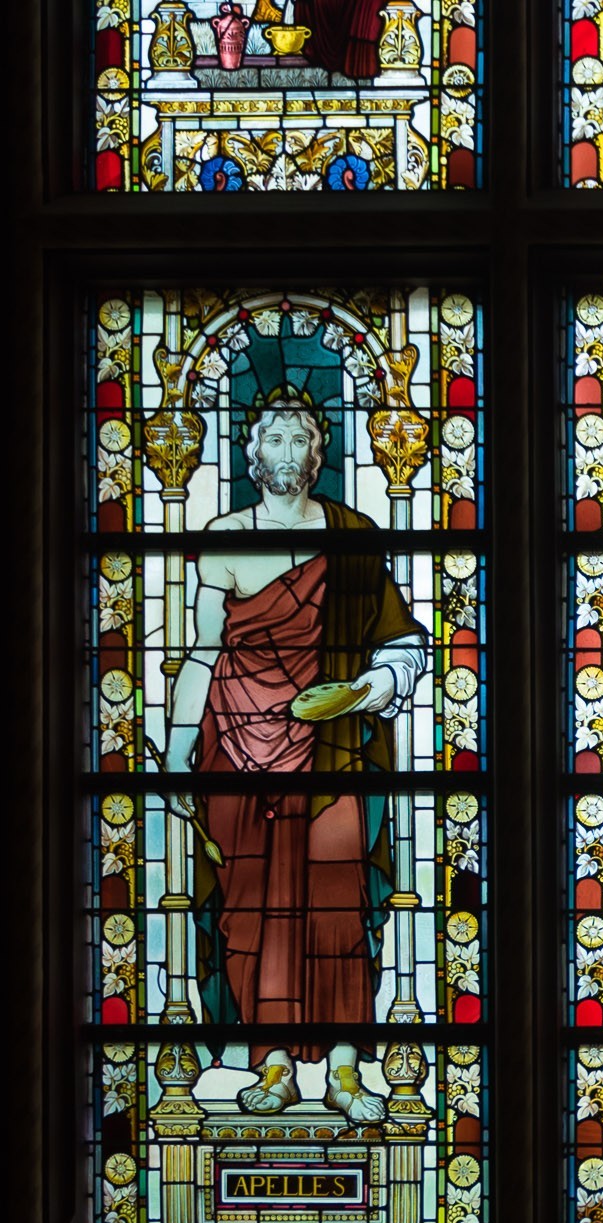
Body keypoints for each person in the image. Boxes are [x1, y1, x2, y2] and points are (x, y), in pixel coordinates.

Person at [165, 393, 427, 1124]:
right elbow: (201, 651)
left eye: (299, 439)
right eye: (272, 436)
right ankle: (271, 1063)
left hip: (333, 748)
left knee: (340, 901)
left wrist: (368, 690)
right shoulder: (224, 536)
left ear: (318, 455)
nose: (285, 451)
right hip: (238, 747)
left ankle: (346, 1066)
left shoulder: (352, 538)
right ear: (251, 454)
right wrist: (178, 749)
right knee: (253, 910)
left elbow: (400, 642)